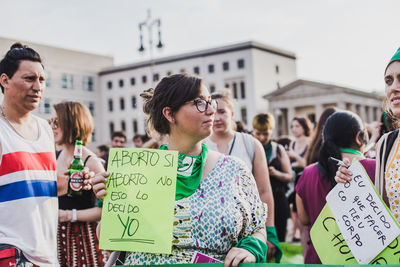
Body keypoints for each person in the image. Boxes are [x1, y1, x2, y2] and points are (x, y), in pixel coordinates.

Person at [92, 74, 267, 266]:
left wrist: (250, 249)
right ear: (170, 114)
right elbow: (108, 240)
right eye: (200, 102)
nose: (211, 111)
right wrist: (110, 205)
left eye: (211, 102)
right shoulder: (137, 171)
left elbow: (256, 228)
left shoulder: (234, 170)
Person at [0, 43, 93, 266]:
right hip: (12, 255)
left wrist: (74, 182)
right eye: (29, 78)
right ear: (4, 81)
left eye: (42, 80)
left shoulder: (45, 129)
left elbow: (42, 185)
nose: (38, 86)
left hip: (47, 255)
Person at [204, 90, 279, 262]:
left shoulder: (250, 143)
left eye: (221, 111)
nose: (217, 118)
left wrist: (269, 229)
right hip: (213, 232)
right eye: (213, 112)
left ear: (232, 113)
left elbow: (264, 191)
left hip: (247, 230)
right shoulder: (201, 145)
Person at [296, 111, 375, 263]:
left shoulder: (308, 173)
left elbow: (304, 219)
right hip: (367, 260)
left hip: (320, 259)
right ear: (359, 137)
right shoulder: (376, 168)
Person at [336, 48, 400, 224]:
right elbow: (380, 212)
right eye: (389, 81)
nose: (393, 87)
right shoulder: (387, 143)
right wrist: (349, 181)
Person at [50, 101, 106, 266]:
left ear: (71, 124)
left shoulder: (91, 161)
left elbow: (104, 209)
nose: (52, 127)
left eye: (56, 122)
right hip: (57, 237)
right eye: (50, 122)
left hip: (85, 237)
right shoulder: (54, 156)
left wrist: (68, 215)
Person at [252, 113, 292, 245]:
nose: (262, 137)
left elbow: (289, 176)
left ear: (272, 131)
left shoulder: (278, 149)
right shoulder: (249, 147)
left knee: (277, 241)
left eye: (266, 134)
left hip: (278, 200)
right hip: (255, 201)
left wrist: (276, 173)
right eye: (258, 133)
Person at [288, 116, 311, 243]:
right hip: (294, 180)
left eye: (297, 126)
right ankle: (295, 233)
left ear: (304, 127)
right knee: (294, 209)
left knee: (303, 211)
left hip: (305, 179)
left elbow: (307, 163)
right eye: (292, 126)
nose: (294, 129)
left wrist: (295, 156)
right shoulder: (292, 143)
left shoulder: (309, 141)